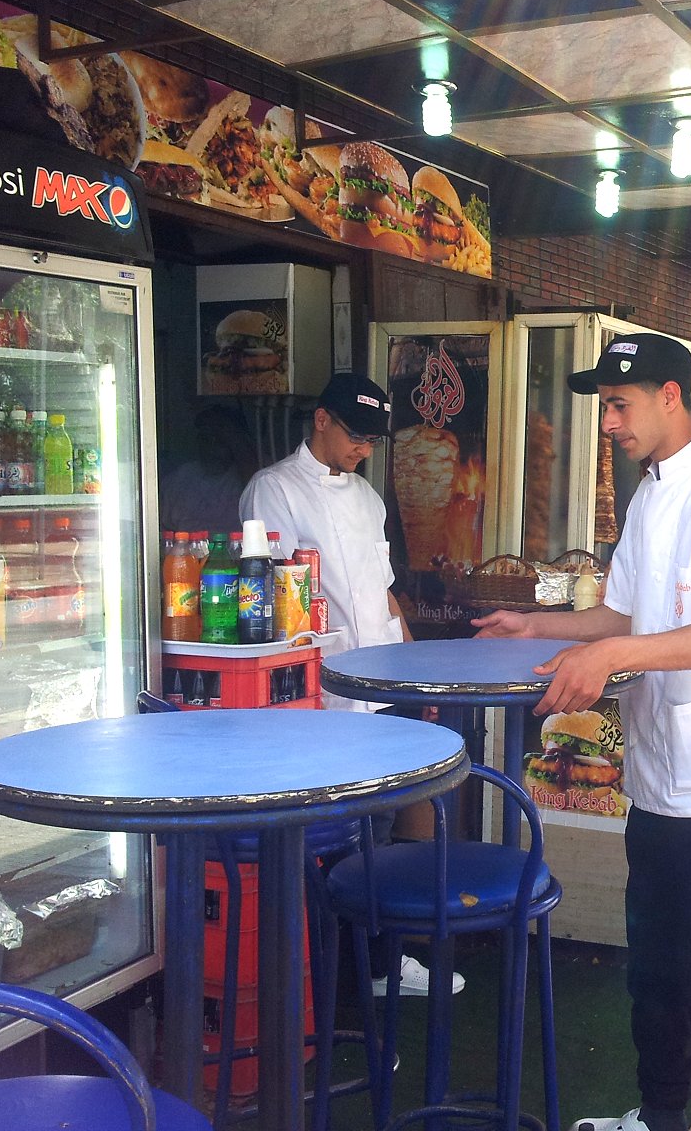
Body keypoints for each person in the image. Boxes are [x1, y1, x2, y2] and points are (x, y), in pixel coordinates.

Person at [474, 333, 691, 1131]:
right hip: (653, 775)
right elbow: (621, 613)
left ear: (671, 397)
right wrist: (537, 624)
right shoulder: (647, 495)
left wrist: (613, 652)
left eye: (620, 405)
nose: (608, 423)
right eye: (606, 406)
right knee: (650, 969)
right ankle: (659, 1116)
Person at [240, 372, 459, 1000]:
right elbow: (274, 595)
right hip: (325, 685)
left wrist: (420, 679)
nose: (362, 448)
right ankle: (337, 971)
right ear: (321, 420)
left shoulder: (367, 498)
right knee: (334, 831)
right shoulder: (273, 490)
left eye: (371, 439)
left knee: (382, 826)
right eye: (354, 435)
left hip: (385, 675)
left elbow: (382, 592)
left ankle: (384, 963)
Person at [159, 404, 256, 533]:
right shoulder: (179, 479)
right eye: (206, 439)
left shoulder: (252, 478)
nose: (212, 448)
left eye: (220, 440)